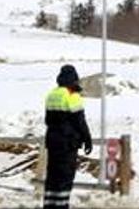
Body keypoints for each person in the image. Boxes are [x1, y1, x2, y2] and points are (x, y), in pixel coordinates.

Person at [43, 65, 92, 209]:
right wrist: (87, 138)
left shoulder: (52, 94)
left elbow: (48, 120)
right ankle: (61, 206)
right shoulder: (71, 95)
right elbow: (79, 121)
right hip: (67, 143)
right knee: (65, 177)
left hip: (52, 142)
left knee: (52, 176)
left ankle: (49, 205)